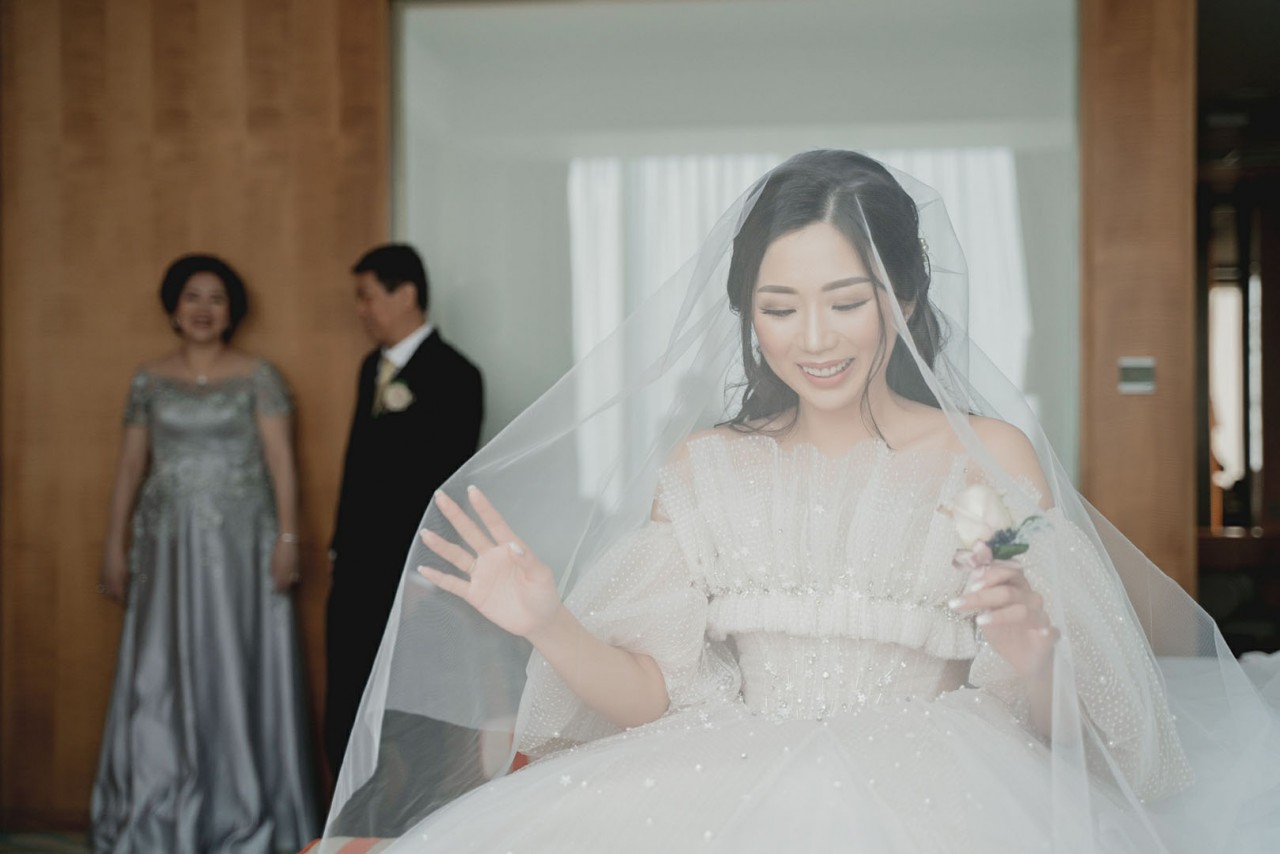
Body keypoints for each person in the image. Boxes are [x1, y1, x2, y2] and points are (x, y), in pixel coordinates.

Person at [326, 153, 1280, 851]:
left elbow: (1085, 740)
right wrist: (549, 624)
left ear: (905, 297)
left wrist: (1035, 656)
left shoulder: (982, 457)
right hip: (722, 776)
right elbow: (653, 696)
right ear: (746, 312)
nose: (813, 339)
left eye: (846, 301)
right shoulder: (704, 467)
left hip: (952, 791)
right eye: (779, 308)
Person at [92, 254, 317, 853]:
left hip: (242, 548)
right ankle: (159, 807)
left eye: (216, 298)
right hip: (165, 550)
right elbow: (131, 466)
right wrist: (114, 544)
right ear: (173, 307)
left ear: (231, 312)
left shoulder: (259, 377)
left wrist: (288, 539)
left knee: (234, 663)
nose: (203, 308)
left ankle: (240, 808)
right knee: (159, 670)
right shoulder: (148, 380)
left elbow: (281, 464)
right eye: (192, 296)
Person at [325, 244, 484, 780]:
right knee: (346, 708)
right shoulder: (371, 367)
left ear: (406, 294)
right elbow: (358, 470)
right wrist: (339, 548)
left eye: (367, 296)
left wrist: (422, 573)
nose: (361, 310)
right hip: (355, 570)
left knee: (411, 715)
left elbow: (445, 485)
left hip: (411, 577)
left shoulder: (457, 375)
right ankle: (350, 815)